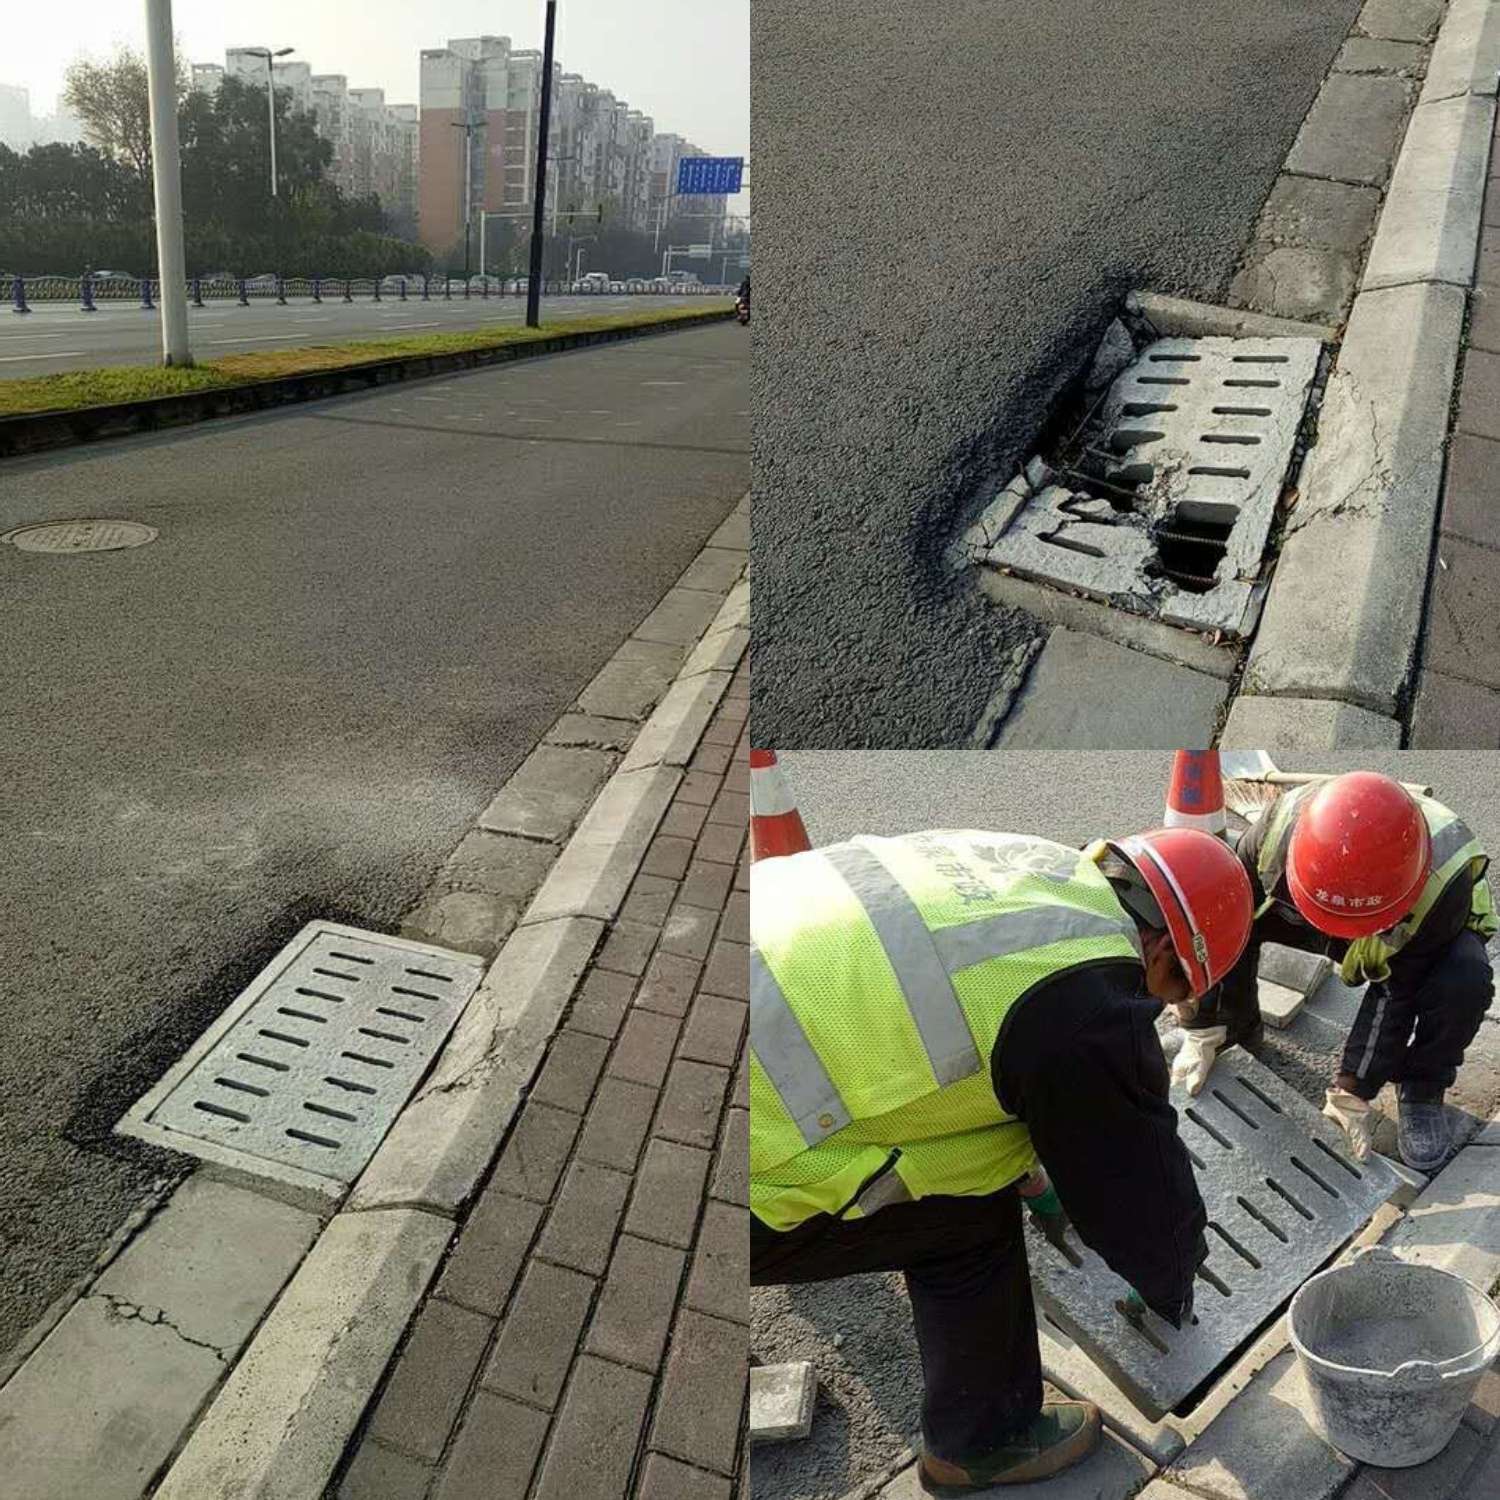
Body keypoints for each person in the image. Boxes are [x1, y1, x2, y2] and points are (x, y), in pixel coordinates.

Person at [750, 825, 1253, 1494]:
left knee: (969, 1163)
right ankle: (984, 1441)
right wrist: (1174, 1278)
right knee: (968, 1225)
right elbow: (1137, 1191)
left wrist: (1027, 1163)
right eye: (1175, 988)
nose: (1163, 1006)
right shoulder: (1090, 1010)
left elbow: (962, 1031)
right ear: (1163, 948)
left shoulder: (1037, 868)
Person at [1173, 772, 1495, 1172]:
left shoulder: (1440, 890)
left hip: (1415, 924)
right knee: (1239, 918)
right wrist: (1204, 1020)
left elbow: (1395, 995)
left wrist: (1353, 1090)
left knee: (1464, 979)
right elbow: (1222, 925)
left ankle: (1423, 1087)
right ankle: (1234, 1027)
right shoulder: (1274, 837)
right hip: (1315, 901)